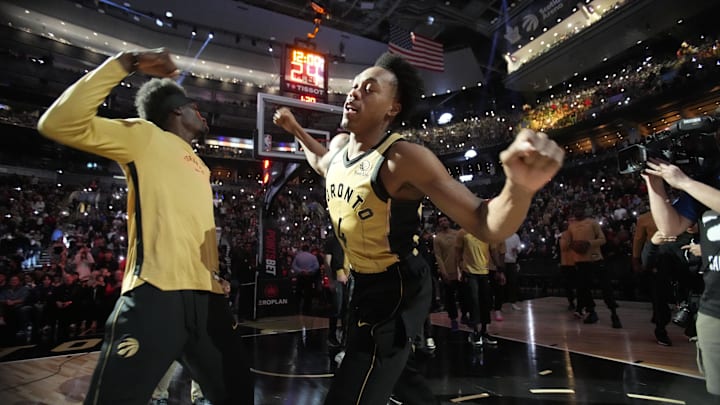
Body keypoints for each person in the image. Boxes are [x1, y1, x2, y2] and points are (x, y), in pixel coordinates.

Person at [273, 52, 563, 404]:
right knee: (397, 374)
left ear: (392, 108)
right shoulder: (337, 149)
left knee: (357, 382)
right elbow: (319, 161)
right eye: (354, 87)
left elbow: (485, 224)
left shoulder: (403, 159)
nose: (354, 93)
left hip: (398, 282)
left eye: (369, 89)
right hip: (362, 280)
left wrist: (519, 188)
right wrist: (295, 130)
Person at [37, 48, 253, 405]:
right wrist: (126, 62)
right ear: (177, 110)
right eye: (195, 106)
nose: (201, 112)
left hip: (207, 299)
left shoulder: (200, 165)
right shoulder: (145, 136)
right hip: (156, 292)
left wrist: (212, 275)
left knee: (240, 395)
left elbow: (187, 227)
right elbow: (57, 123)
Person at [644, 155, 720, 398]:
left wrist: (685, 182)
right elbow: (670, 227)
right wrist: (654, 183)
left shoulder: (695, 183)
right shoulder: (708, 179)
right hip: (714, 308)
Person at [567, 203, 622, 328]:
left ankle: (614, 314)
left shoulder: (592, 223)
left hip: (595, 260)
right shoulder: (571, 226)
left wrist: (589, 243)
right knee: (584, 290)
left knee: (605, 288)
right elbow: (570, 243)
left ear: (584, 210)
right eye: (575, 208)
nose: (577, 210)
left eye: (579, 208)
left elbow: (602, 239)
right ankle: (591, 312)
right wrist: (574, 246)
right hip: (580, 262)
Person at [456, 229, 499, 346]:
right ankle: (476, 330)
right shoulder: (463, 232)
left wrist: (499, 269)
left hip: (484, 271)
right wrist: (459, 270)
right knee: (474, 300)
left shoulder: (487, 232)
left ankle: (485, 330)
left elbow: (493, 250)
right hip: (469, 272)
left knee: (485, 301)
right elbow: (458, 253)